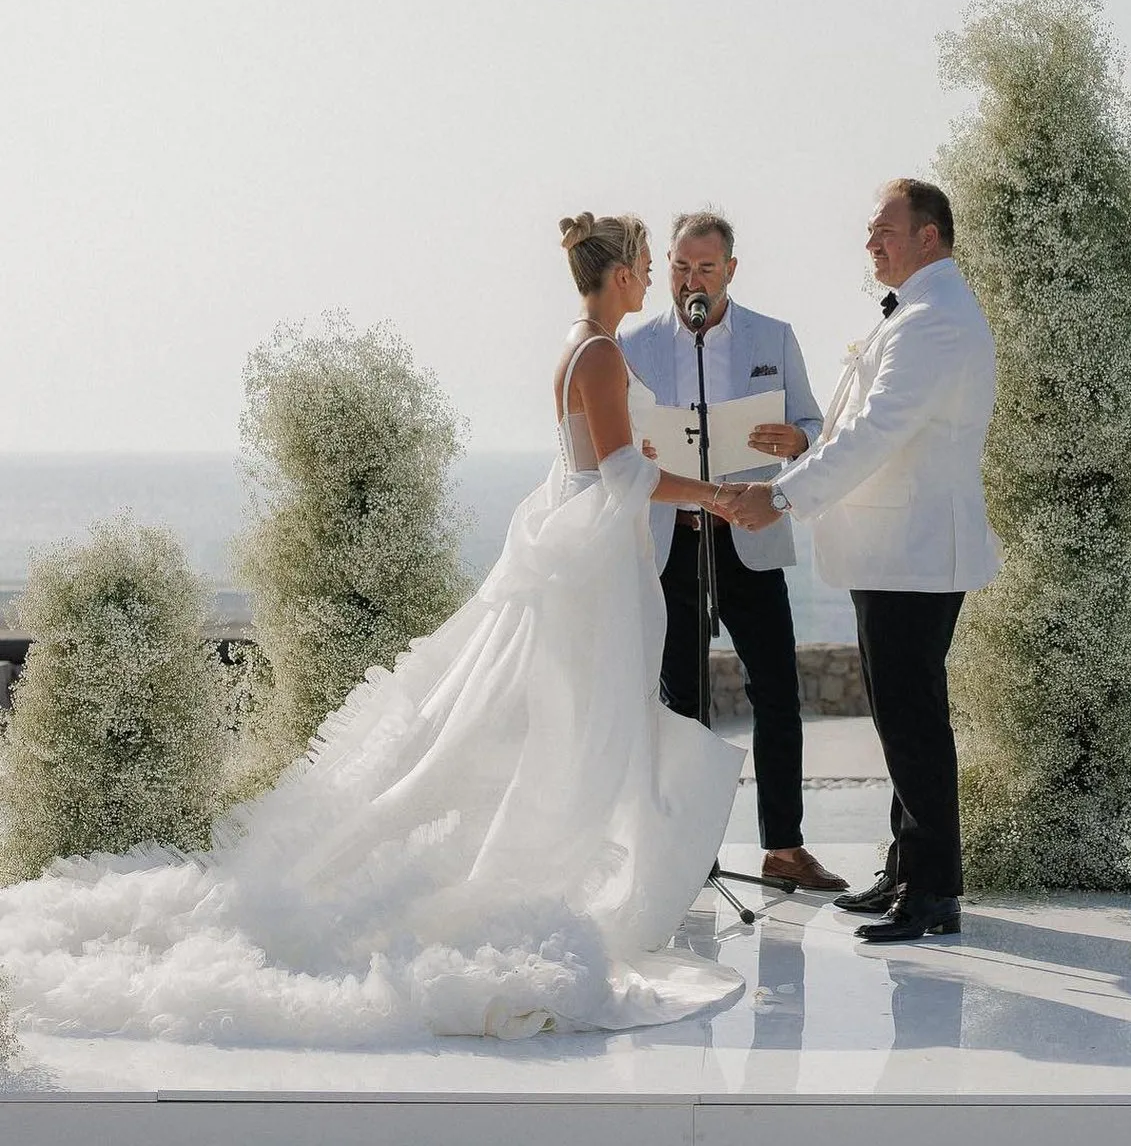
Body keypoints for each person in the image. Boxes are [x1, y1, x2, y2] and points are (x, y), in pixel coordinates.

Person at [0, 213, 748, 1043]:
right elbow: (619, 472)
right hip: (587, 563)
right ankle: (536, 884)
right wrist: (716, 493)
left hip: (580, 552)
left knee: (570, 725)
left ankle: (563, 879)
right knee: (576, 731)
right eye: (646, 265)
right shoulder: (602, 353)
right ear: (619, 275)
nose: (652, 280)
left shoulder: (580, 346)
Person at [728, 180, 999, 943]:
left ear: (929, 236)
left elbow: (880, 432)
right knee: (900, 720)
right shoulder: (920, 313)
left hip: (912, 552)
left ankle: (934, 892)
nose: (870, 242)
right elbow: (869, 430)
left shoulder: (932, 322)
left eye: (884, 229)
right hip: (895, 551)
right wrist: (808, 450)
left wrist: (780, 496)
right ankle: (907, 868)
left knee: (914, 724)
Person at [620, 211, 848, 894]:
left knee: (776, 693)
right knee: (681, 703)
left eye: (706, 269)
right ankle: (689, 855)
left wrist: (797, 442)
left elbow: (816, 423)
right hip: (675, 540)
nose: (692, 281)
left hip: (747, 535)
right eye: (682, 268)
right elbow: (618, 438)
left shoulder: (772, 337)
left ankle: (784, 848)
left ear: (730, 271)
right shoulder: (634, 345)